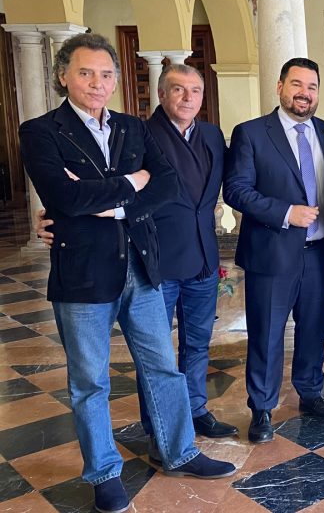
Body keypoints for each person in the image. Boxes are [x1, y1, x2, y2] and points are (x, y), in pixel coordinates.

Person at [19, 34, 234, 513]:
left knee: (162, 367)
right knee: (90, 381)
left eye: (107, 74)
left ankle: (181, 451)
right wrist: (130, 185)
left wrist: (110, 205)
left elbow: (168, 186)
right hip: (82, 276)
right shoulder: (40, 131)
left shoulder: (133, 130)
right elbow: (64, 199)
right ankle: (104, 473)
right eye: (86, 73)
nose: (98, 84)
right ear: (63, 76)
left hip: (141, 267)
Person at [223, 57, 324, 444]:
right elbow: (237, 190)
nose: (304, 93)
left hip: (320, 252)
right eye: (296, 84)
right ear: (280, 87)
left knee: (314, 329)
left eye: (311, 87)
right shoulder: (252, 133)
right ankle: (261, 406)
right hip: (272, 253)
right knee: (267, 333)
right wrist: (286, 212)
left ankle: (310, 393)